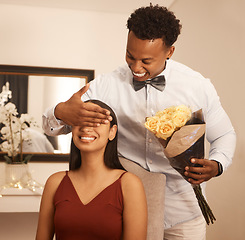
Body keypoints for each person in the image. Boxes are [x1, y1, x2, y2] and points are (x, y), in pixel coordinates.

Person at [42, 4, 236, 239]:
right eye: (130, 56)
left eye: (146, 61)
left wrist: (217, 165)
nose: (135, 68)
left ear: (170, 52)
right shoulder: (106, 86)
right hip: (126, 209)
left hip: (184, 212)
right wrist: (61, 111)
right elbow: (50, 126)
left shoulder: (197, 86)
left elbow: (224, 135)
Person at [36, 100, 147, 240]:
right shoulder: (55, 182)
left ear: (112, 132)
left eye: (97, 122)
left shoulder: (129, 184)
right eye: (80, 121)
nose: (86, 128)